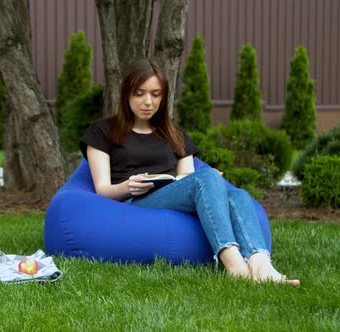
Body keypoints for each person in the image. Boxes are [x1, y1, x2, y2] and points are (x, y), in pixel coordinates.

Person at [79, 59, 299, 286]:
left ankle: (262, 265)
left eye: (156, 94)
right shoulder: (102, 131)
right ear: (126, 94)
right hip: (133, 202)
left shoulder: (175, 134)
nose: (148, 101)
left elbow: (186, 178)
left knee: (239, 195)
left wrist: (210, 180)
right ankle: (235, 267)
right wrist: (128, 186)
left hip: (171, 194)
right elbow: (102, 190)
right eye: (139, 93)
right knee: (206, 179)